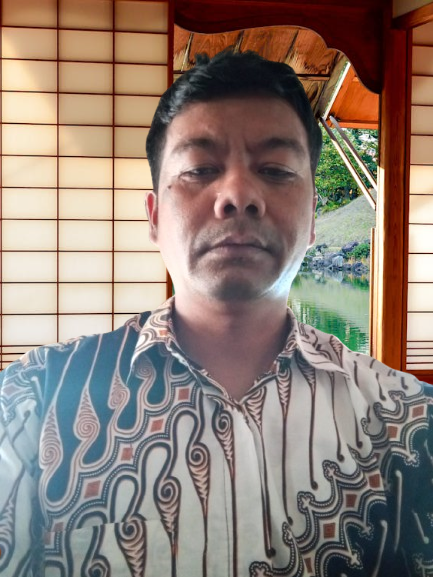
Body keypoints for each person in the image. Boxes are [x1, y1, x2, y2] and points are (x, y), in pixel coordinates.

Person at [0, 50, 432, 577]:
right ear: (154, 217)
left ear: (313, 216)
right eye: (200, 170)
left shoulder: (408, 420)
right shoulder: (31, 401)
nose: (238, 195)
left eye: (275, 170)